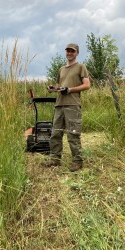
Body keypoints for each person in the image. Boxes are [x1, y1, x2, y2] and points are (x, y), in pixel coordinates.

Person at [45, 43, 90, 172]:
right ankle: (55, 159)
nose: (70, 53)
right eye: (68, 51)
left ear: (77, 53)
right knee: (55, 133)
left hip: (72, 104)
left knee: (73, 134)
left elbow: (87, 85)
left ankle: (77, 161)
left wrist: (70, 90)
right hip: (59, 104)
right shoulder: (61, 69)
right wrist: (53, 89)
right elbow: (61, 85)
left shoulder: (81, 67)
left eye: (72, 51)